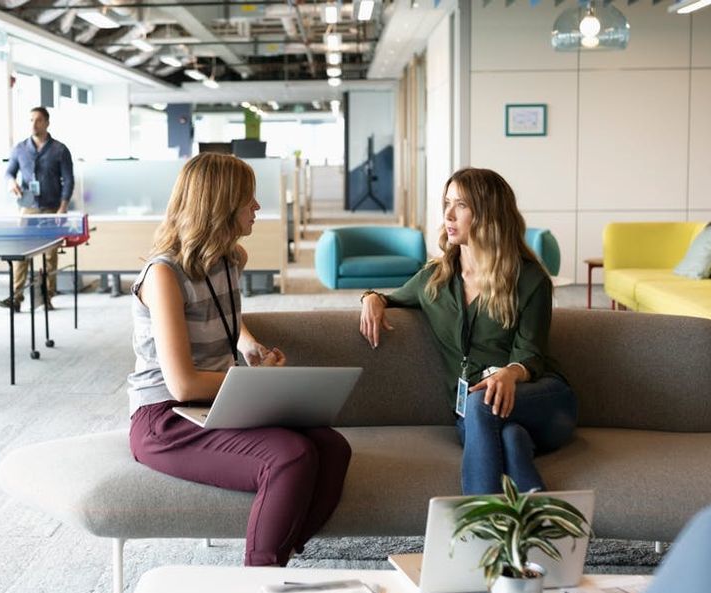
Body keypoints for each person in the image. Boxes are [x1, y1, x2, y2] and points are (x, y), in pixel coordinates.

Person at [127, 152, 351, 566]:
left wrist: (247, 342)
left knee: (332, 448)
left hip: (217, 404)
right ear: (220, 205)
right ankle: (260, 574)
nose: (258, 207)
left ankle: (278, 550)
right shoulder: (163, 275)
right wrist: (260, 385)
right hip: (165, 417)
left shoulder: (230, 260)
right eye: (249, 198)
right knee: (292, 454)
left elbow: (222, 315)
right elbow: (183, 384)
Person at [359, 168, 576, 495]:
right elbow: (390, 296)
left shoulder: (530, 280)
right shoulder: (435, 278)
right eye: (447, 203)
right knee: (511, 439)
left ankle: (476, 526)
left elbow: (531, 355)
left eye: (460, 205)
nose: (447, 214)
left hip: (540, 401)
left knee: (481, 404)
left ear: (488, 213)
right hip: (474, 414)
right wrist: (371, 298)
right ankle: (539, 530)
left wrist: (509, 374)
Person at [1, 106, 75, 311]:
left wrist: (63, 207)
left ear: (47, 123)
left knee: (50, 255)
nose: (34, 123)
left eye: (38, 120)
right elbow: (8, 173)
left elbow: (68, 181)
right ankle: (16, 297)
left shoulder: (60, 149)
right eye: (31, 119)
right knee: (21, 252)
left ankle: (47, 295)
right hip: (28, 208)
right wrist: (10, 183)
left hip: (52, 208)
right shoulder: (19, 148)